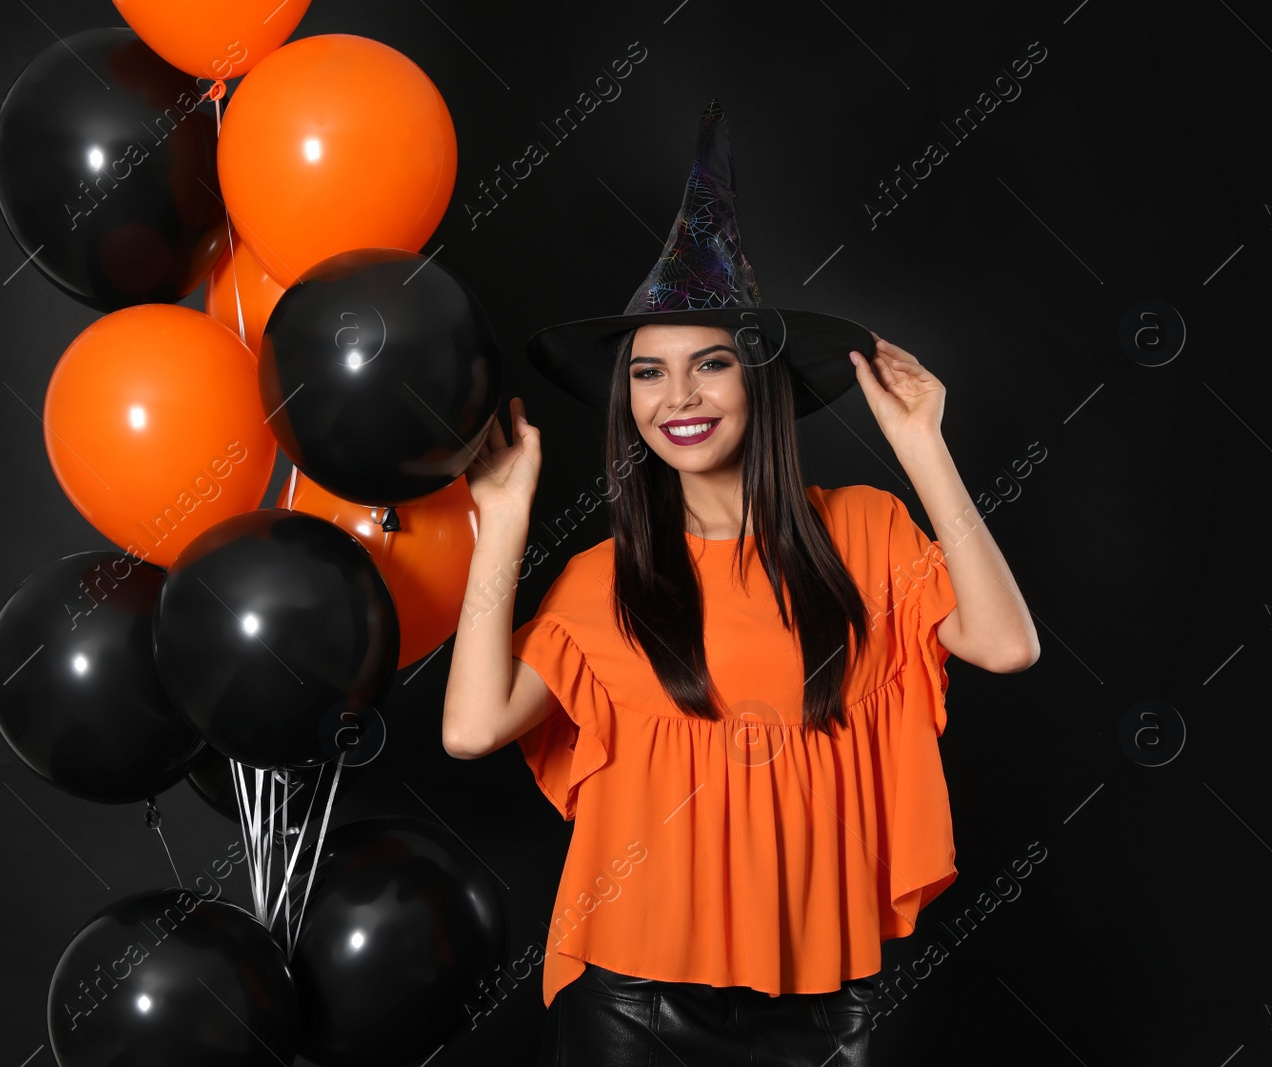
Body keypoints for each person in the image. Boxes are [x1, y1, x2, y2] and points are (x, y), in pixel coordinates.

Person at [442, 101, 1039, 1067]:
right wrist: (503, 524)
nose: (676, 399)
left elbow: (1007, 644)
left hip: (816, 1008)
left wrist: (924, 450)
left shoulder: (866, 530)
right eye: (648, 374)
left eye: (709, 364)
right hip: (630, 1005)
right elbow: (470, 727)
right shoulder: (607, 580)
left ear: (758, 383)